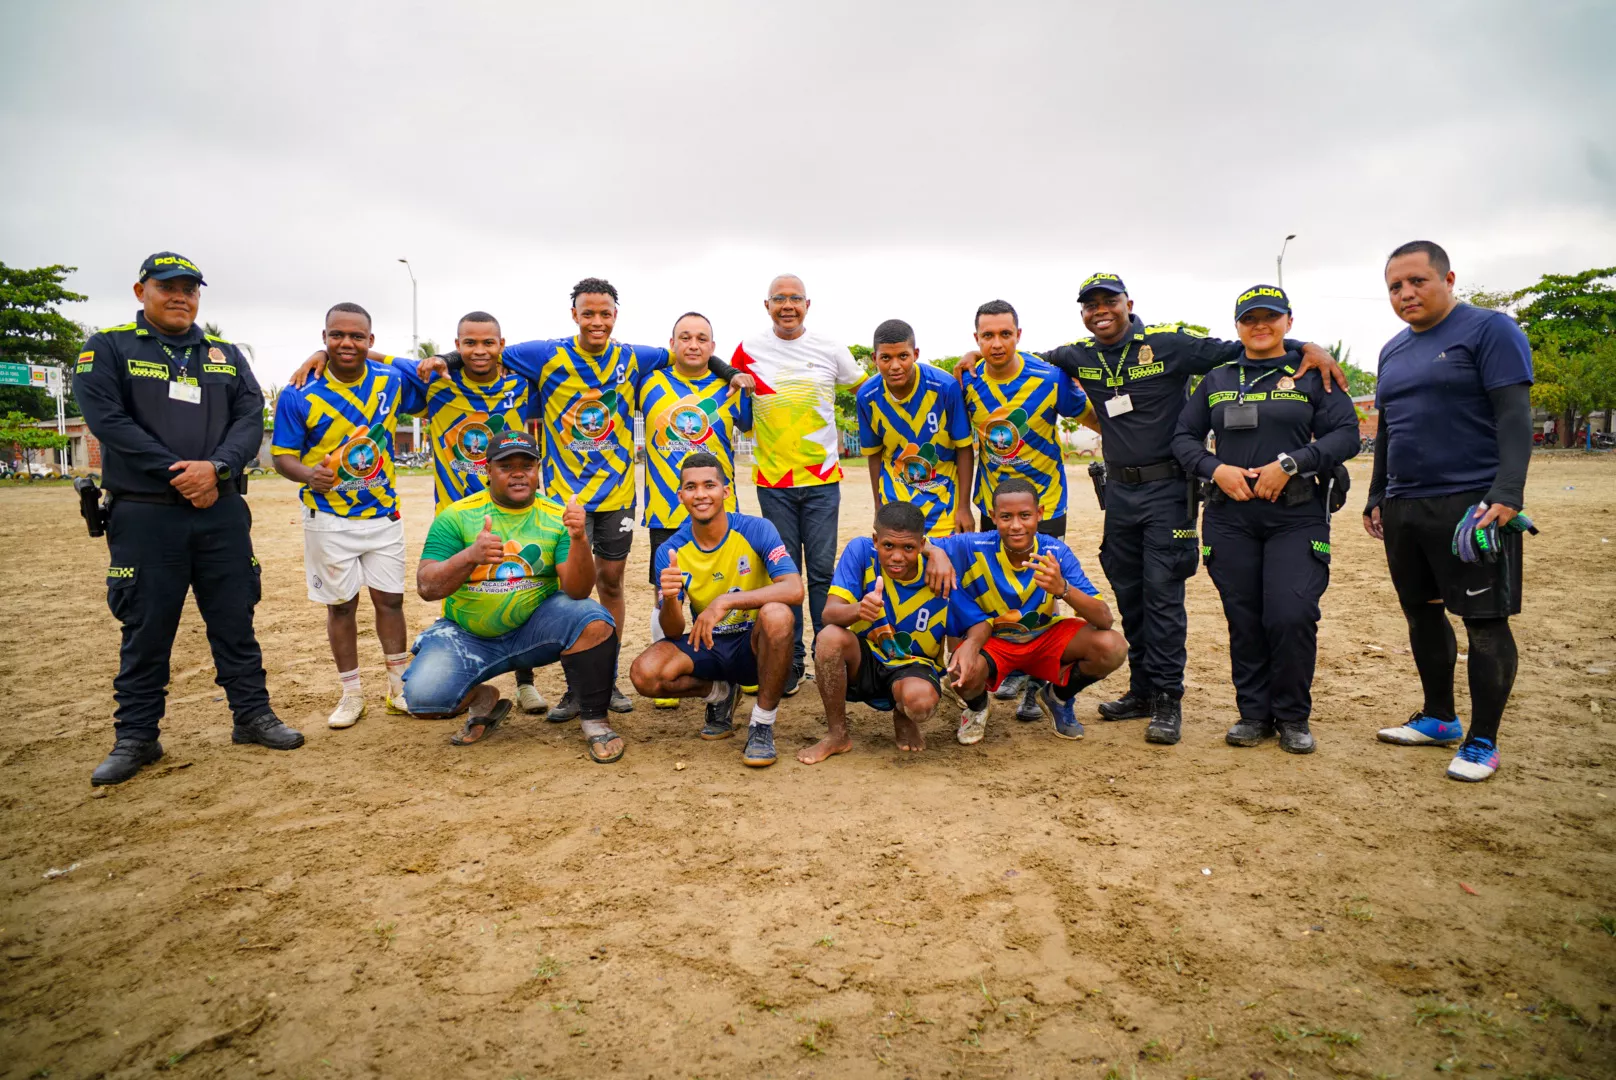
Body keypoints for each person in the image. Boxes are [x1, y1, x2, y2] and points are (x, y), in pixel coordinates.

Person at [955, 274, 1346, 745]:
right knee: (1130, 592)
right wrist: (974, 355)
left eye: (1110, 302)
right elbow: (1021, 354)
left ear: (1128, 304)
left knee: (1163, 597)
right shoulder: (1080, 355)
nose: (1101, 310)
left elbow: (1247, 344)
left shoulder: (1169, 345)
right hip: (1118, 493)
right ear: (1082, 312)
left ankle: (1167, 699)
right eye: (1091, 304)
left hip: (1168, 490)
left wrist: (1307, 347)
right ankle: (1140, 691)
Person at [421, 278, 749, 719]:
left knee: (610, 584)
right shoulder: (545, 353)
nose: (597, 321)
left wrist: (730, 373)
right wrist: (444, 357)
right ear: (574, 314)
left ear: (616, 315)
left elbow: (695, 353)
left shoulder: (634, 356)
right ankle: (574, 688)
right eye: (588, 313)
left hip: (617, 495)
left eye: (605, 313)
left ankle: (606, 680)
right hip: (562, 499)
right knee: (561, 590)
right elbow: (486, 353)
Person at [73, 252, 304, 785]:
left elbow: (251, 417)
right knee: (146, 627)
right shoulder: (108, 347)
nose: (181, 296)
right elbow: (107, 421)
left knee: (234, 618)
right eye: (168, 287)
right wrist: (181, 473)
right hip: (146, 514)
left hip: (221, 511)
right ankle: (137, 736)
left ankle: (252, 716)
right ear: (141, 291)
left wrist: (218, 469)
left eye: (190, 289)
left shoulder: (224, 354)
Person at [287, 311, 551, 715]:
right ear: (457, 345)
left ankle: (525, 681)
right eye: (469, 343)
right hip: (455, 514)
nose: (479, 351)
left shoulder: (523, 386)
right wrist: (322, 353)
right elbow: (370, 356)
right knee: (464, 597)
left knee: (521, 589)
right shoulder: (435, 382)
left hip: (514, 508)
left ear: (502, 344)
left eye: (488, 342)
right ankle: (469, 678)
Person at [1364, 241, 1535, 782]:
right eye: (1395, 286)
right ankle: (1440, 717)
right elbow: (1389, 429)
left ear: (1448, 278)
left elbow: (1514, 415)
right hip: (1405, 503)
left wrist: (1508, 493)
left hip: (1473, 506)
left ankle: (1483, 741)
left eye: (1417, 281)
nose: (1405, 294)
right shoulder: (1392, 350)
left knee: (1485, 622)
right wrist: (1377, 495)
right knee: (1422, 610)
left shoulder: (1491, 330)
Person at [1171, 285, 1361, 753]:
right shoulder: (1215, 380)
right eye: (1250, 318)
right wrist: (1215, 468)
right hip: (1229, 516)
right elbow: (1183, 438)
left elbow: (1348, 435)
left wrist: (1293, 463)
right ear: (1237, 326)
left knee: (1291, 612)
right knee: (1245, 616)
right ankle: (1253, 714)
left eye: (1271, 317)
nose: (1260, 325)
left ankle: (1293, 716)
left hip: (1296, 515)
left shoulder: (1314, 374)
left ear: (1289, 323)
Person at [406, 431, 626, 761]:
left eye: (527, 465)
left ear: (539, 470)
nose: (518, 472)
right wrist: (469, 557)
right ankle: (485, 701)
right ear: (488, 471)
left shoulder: (556, 516)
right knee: (424, 700)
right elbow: (426, 587)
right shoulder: (456, 515)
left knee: (593, 620)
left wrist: (579, 538)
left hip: (534, 632)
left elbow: (578, 591)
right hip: (469, 636)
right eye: (506, 466)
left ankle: (595, 720)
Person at [271, 302, 424, 729]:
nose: (346, 343)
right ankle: (351, 693)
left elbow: (426, 376)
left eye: (357, 336)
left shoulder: (389, 382)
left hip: (382, 516)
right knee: (341, 607)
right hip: (328, 518)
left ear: (371, 342)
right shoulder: (298, 393)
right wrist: (308, 475)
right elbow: (282, 456)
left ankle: (399, 689)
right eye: (337, 335)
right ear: (324, 338)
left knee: (390, 601)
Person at [728, 275, 868, 695]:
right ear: (766, 305)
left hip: (823, 481)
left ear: (808, 304)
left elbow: (867, 389)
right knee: (786, 573)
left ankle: (827, 656)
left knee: (823, 574)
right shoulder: (747, 350)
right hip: (773, 483)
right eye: (779, 299)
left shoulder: (830, 348)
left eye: (794, 299)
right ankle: (791, 663)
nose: (787, 305)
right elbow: (736, 403)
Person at [958, 299, 1094, 722]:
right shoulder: (967, 381)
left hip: (1045, 503)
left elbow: (1089, 414)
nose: (996, 343)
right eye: (987, 335)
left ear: (1019, 334)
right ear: (976, 339)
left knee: (1043, 586)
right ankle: (1011, 664)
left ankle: (1039, 677)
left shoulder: (1049, 378)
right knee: (993, 586)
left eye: (1005, 334)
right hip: (993, 504)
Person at [628, 453, 805, 768]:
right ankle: (720, 694)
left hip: (755, 644)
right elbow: (671, 631)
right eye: (691, 487)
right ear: (680, 495)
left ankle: (762, 725)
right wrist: (669, 598)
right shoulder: (670, 551)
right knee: (645, 674)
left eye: (709, 485)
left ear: (725, 491)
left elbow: (794, 588)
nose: (700, 494)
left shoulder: (757, 529)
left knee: (778, 615)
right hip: (709, 643)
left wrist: (724, 601)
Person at [939, 478, 1128, 745]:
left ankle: (1057, 697)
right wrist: (935, 554)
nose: (1016, 525)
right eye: (1006, 517)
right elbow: (921, 542)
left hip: (1044, 639)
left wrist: (1063, 589)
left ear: (1039, 514)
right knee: (960, 671)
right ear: (993, 516)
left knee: (1113, 647)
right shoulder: (972, 546)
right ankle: (978, 707)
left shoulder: (1056, 553)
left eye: (1025, 515)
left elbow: (1105, 619)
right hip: (994, 643)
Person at [798, 501, 982, 763]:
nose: (897, 556)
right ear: (875, 540)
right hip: (866, 658)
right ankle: (837, 735)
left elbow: (980, 621)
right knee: (828, 638)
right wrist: (860, 609)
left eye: (908, 547)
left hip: (914, 664)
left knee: (920, 703)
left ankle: (904, 714)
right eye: (888, 546)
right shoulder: (860, 552)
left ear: (921, 545)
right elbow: (829, 614)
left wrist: (970, 646)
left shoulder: (938, 573)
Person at [638, 311, 753, 696]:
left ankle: (737, 665)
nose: (693, 344)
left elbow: (752, 425)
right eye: (684, 337)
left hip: (723, 514)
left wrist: (732, 372)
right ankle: (674, 663)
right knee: (667, 594)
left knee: (725, 592)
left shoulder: (729, 387)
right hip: (666, 513)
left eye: (701, 338)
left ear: (712, 347)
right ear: (672, 345)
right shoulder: (647, 383)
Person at [857, 318, 975, 537]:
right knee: (901, 565)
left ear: (916, 354)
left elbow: (964, 448)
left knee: (946, 568)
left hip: (944, 501)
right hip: (895, 499)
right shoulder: (867, 397)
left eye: (903, 356)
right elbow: (874, 455)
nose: (895, 366)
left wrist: (964, 507)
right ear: (874, 359)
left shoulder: (945, 387)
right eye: (885, 358)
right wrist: (877, 506)